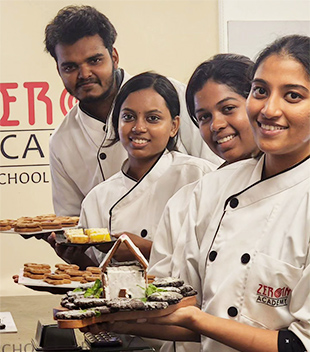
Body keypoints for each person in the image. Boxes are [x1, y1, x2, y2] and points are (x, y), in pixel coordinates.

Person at [84, 35, 310, 352]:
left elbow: (299, 344)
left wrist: (196, 320)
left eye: (293, 96)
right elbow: (193, 311)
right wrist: (107, 318)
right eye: (261, 91)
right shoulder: (208, 191)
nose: (269, 109)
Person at [45, 5, 222, 217]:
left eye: (94, 60)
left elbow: (217, 176)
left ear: (114, 56)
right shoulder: (62, 141)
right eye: (70, 67)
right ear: (58, 70)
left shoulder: (172, 95)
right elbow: (72, 222)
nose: (84, 74)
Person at [50, 72, 216, 268]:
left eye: (152, 118)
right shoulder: (97, 199)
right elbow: (97, 278)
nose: (138, 127)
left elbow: (216, 258)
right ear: (116, 123)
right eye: (128, 117)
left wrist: (145, 249)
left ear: (174, 126)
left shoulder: (200, 176)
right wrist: (76, 259)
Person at [149, 53, 260, 279]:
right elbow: (160, 286)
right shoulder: (187, 200)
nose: (216, 125)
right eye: (204, 117)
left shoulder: (298, 190)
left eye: (228, 109)